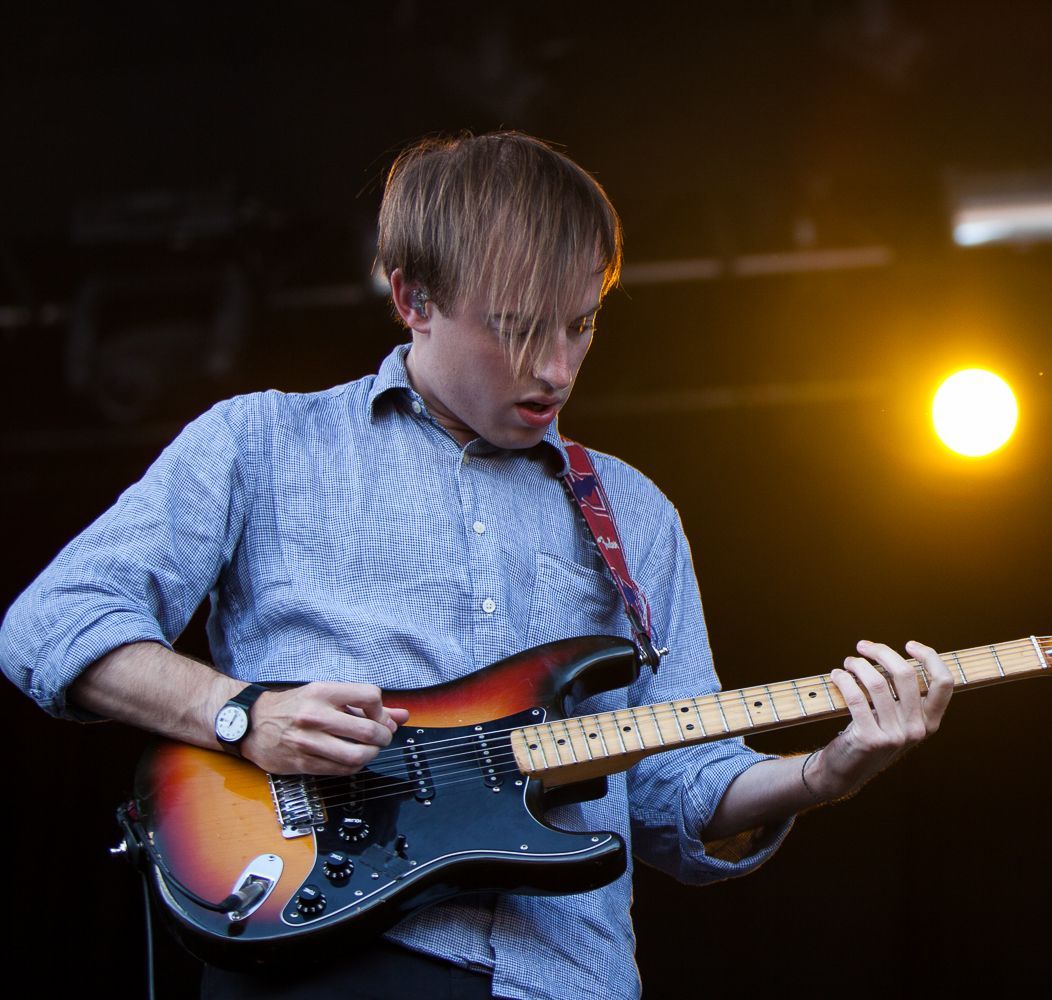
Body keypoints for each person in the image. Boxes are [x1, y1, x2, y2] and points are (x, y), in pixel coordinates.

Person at [0, 131, 953, 999]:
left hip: (564, 979)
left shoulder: (635, 515)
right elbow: (52, 622)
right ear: (413, 296)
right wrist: (242, 713)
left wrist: (826, 772)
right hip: (320, 949)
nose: (557, 368)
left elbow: (674, 796)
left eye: (581, 324)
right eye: (519, 327)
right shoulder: (264, 443)